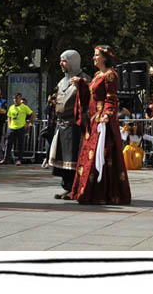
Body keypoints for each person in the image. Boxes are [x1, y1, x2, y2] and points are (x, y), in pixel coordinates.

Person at [69, 45, 132, 205]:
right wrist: (81, 84)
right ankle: (86, 191)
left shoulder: (111, 75)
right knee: (89, 154)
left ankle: (101, 193)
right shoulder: (98, 75)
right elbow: (91, 95)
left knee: (103, 155)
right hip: (93, 121)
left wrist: (106, 115)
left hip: (102, 122)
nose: (94, 58)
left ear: (104, 57)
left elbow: (111, 98)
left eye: (96, 55)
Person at [50, 49, 89, 199]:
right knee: (62, 159)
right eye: (61, 60)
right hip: (62, 124)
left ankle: (76, 188)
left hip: (75, 125)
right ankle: (67, 187)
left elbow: (88, 100)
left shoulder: (84, 79)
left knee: (73, 159)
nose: (61, 63)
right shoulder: (62, 80)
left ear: (73, 62)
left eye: (64, 60)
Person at [0, 93, 34, 165]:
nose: (15, 100)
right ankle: (5, 159)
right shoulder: (11, 107)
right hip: (12, 128)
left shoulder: (24, 107)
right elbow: (9, 116)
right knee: (8, 144)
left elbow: (32, 114)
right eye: (14, 99)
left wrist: (28, 124)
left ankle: (19, 160)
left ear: (20, 99)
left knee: (20, 144)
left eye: (17, 98)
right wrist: (9, 125)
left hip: (21, 128)